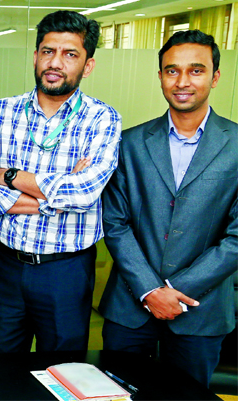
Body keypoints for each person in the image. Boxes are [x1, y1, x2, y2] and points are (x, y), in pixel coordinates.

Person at [100, 30, 237, 387]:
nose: (182, 82)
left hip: (200, 311)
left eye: (196, 70)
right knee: (114, 393)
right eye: (172, 71)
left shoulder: (236, 145)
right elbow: (115, 222)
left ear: (215, 76)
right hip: (130, 307)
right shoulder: (129, 142)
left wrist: (175, 292)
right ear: (160, 75)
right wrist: (150, 290)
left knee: (188, 398)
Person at [0, 10, 122, 354]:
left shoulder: (102, 118)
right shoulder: (2, 113)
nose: (55, 62)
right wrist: (58, 191)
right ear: (35, 56)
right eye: (48, 51)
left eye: (70, 54)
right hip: (5, 267)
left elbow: (85, 193)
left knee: (62, 375)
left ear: (88, 65)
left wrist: (11, 176)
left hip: (65, 273)